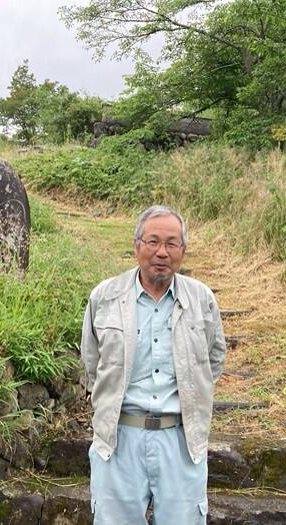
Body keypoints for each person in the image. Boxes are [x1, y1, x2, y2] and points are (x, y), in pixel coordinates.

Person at [80, 205, 226, 524]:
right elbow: (92, 363)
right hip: (118, 438)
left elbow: (214, 359)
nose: (162, 252)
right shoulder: (104, 297)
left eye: (172, 244)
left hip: (180, 438)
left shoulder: (202, 299)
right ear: (137, 246)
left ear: (183, 251)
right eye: (153, 242)